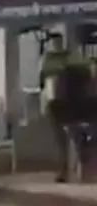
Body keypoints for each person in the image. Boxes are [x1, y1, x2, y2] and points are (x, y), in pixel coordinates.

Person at [40, 34, 83, 182]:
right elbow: (44, 82)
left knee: (70, 139)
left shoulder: (63, 60)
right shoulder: (55, 60)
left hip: (68, 103)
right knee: (64, 140)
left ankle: (70, 170)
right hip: (58, 102)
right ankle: (68, 170)